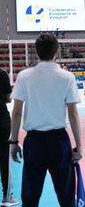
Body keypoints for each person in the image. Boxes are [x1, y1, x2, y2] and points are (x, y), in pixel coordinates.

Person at [9, 34, 82, 207]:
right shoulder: (67, 77)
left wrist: (13, 142)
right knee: (66, 198)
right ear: (56, 52)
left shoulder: (24, 76)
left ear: (36, 51)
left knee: (30, 197)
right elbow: (73, 114)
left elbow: (17, 111)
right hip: (59, 143)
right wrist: (78, 146)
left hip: (34, 143)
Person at [0, 68, 20, 206]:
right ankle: (7, 197)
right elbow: (8, 98)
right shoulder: (2, 73)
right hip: (1, 121)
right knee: (4, 159)